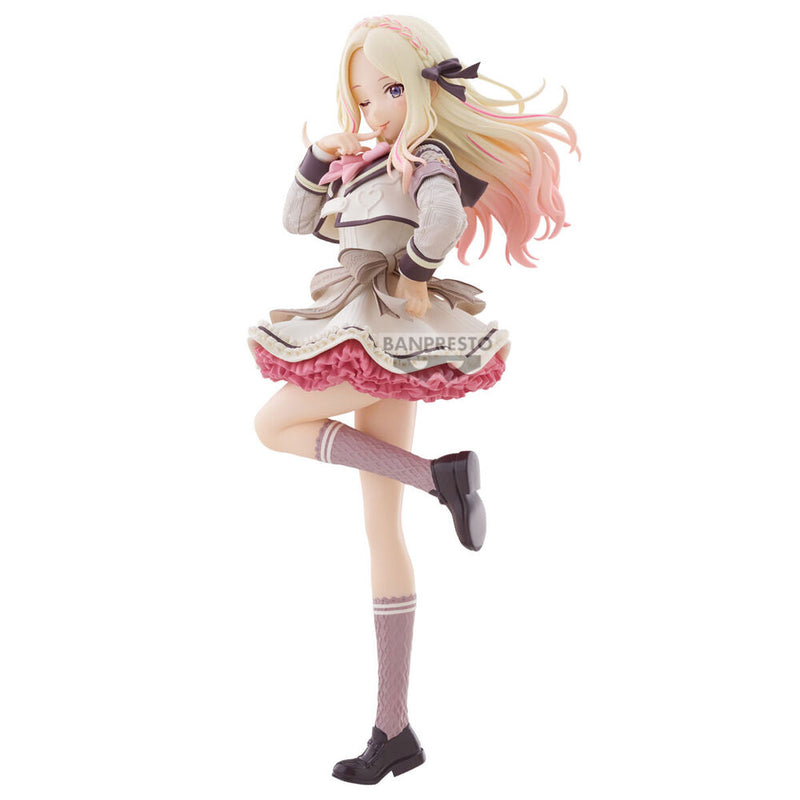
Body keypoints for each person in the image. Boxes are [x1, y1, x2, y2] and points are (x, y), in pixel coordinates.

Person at [247, 14, 578, 784]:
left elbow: (445, 217)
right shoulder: (364, 161)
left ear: (425, 88)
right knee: (380, 528)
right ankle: (392, 727)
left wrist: (414, 274)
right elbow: (296, 220)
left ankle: (437, 478)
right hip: (367, 323)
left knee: (272, 426)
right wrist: (318, 155)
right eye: (365, 97)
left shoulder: (424, 157)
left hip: (379, 325)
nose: (376, 109)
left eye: (390, 91)